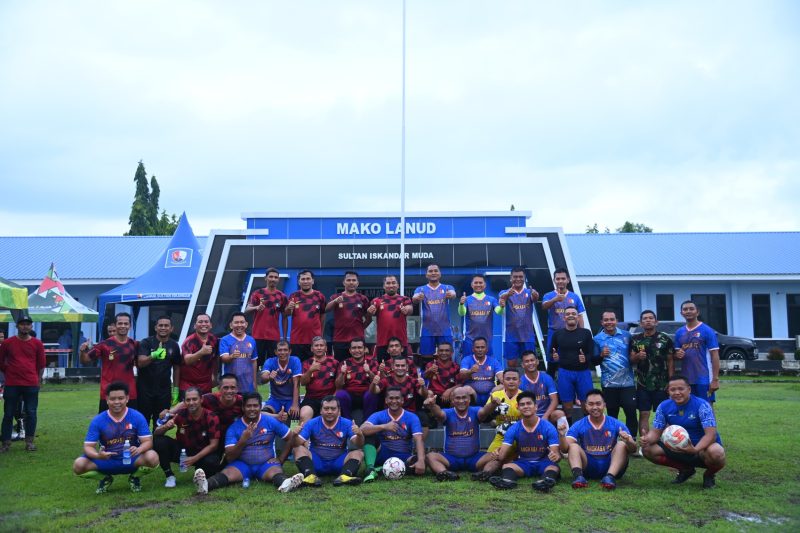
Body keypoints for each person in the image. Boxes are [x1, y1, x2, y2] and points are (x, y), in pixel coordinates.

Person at [193, 392, 304, 494]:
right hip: (242, 465)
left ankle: (286, 484)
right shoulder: (234, 427)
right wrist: (243, 440)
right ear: (243, 408)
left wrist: (281, 459)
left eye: (255, 406)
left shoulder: (270, 421)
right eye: (248, 406)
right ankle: (205, 485)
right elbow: (230, 457)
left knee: (276, 473)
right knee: (227, 474)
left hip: (266, 464)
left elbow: (291, 438)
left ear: (260, 407)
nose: (252, 409)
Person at [640, 374, 726, 489]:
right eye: (673, 389)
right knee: (647, 449)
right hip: (677, 448)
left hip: (701, 449)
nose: (677, 392)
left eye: (681, 389)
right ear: (668, 391)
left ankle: (709, 475)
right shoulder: (663, 406)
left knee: (717, 452)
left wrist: (695, 449)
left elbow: (711, 435)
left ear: (689, 389)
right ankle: (685, 469)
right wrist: (647, 439)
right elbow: (656, 433)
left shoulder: (702, 405)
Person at [72, 381, 159, 493]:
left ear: (127, 398)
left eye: (121, 398)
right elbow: (88, 446)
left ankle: (135, 477)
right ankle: (105, 478)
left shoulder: (137, 416)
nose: (117, 402)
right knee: (78, 465)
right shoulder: (98, 420)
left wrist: (139, 449)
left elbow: (148, 441)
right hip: (107, 461)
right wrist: (98, 455)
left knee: (153, 457)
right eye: (113, 399)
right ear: (107, 399)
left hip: (131, 459)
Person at [560, 389, 636, 490]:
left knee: (621, 444)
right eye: (591, 404)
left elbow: (633, 449)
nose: (595, 407)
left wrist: (628, 441)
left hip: (611, 465)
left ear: (604, 405)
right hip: (588, 466)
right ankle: (578, 477)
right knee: (573, 446)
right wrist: (561, 436)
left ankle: (609, 477)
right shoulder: (579, 424)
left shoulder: (616, 423)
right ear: (586, 406)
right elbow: (565, 449)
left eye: (598, 404)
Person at [488, 391, 561, 492]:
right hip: (523, 463)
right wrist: (496, 454)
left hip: (543, 463)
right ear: (518, 408)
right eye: (522, 404)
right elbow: (502, 456)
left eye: (529, 403)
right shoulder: (513, 428)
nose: (526, 406)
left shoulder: (548, 427)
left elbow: (556, 455)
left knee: (554, 468)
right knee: (507, 466)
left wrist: (555, 456)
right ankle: (507, 482)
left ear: (536, 407)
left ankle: (545, 482)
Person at [153, 387, 221, 488]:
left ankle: (199, 473)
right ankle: (169, 476)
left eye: (194, 399)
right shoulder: (180, 414)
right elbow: (156, 433)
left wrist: (194, 459)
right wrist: (165, 426)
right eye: (188, 400)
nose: (191, 402)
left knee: (212, 462)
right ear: (184, 402)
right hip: (183, 452)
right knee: (159, 441)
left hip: (202, 453)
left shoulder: (211, 417)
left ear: (201, 399)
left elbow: (214, 445)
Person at [291, 395, 365, 487]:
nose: (329, 411)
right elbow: (296, 443)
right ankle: (310, 476)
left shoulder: (347, 423)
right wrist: (294, 435)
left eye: (333, 409)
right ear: (321, 410)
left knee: (359, 453)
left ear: (339, 410)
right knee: (297, 449)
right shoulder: (312, 423)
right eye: (326, 409)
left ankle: (345, 476)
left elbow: (359, 444)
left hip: (339, 462)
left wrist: (360, 435)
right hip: (317, 462)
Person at [360, 387, 427, 482]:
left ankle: (380, 470)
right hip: (382, 453)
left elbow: (418, 439)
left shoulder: (412, 417)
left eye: (397, 398)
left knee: (418, 462)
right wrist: (384, 426)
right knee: (369, 435)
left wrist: (421, 460)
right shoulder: (379, 415)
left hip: (403, 456)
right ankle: (370, 469)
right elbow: (362, 429)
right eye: (391, 398)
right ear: (386, 400)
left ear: (402, 400)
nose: (394, 401)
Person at [423, 387, 491, 481]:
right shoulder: (448, 412)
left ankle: (485, 474)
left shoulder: (475, 411)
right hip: (451, 459)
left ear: (469, 399)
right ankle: (445, 473)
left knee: (495, 457)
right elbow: (439, 414)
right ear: (452, 400)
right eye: (458, 398)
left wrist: (493, 404)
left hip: (474, 458)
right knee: (430, 456)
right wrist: (433, 405)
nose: (461, 401)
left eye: (464, 397)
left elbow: (484, 412)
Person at [0, 315, 45, 452]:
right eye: (22, 324)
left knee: (31, 412)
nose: (25, 326)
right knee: (8, 413)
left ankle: (29, 442)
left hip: (31, 383)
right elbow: (1, 361)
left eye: (27, 324)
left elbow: (41, 364)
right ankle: (6, 443)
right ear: (17, 326)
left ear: (31, 326)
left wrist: (38, 381)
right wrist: (9, 371)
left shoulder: (37, 344)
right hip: (12, 383)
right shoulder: (8, 343)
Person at [81, 312, 139, 413]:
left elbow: (141, 363)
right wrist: (82, 351)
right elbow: (85, 360)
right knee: (106, 426)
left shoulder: (134, 344)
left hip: (129, 393)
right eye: (120, 323)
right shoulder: (104, 345)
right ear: (115, 325)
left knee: (129, 426)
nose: (123, 326)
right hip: (108, 392)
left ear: (130, 326)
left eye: (126, 324)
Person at [593, 310, 638, 437]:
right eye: (606, 320)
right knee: (612, 414)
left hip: (627, 383)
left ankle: (632, 440)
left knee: (631, 411)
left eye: (612, 319)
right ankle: (613, 441)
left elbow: (633, 357)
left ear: (616, 321)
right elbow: (593, 361)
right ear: (602, 322)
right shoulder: (597, 339)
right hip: (608, 384)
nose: (609, 322)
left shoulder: (627, 336)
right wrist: (601, 355)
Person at [474, 367, 524, 479]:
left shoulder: (524, 397)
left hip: (519, 438)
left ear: (519, 381)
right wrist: (492, 405)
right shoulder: (496, 395)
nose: (511, 381)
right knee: (479, 464)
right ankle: (504, 462)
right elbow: (482, 416)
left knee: (498, 457)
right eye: (508, 379)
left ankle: (486, 474)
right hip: (501, 436)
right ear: (503, 381)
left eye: (514, 379)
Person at [631, 310, 674, 438]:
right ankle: (645, 443)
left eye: (651, 318)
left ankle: (667, 441)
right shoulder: (636, 339)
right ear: (640, 322)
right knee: (644, 414)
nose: (648, 320)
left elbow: (671, 360)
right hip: (643, 384)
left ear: (656, 322)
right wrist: (638, 357)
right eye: (645, 318)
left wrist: (671, 382)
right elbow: (631, 359)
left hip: (662, 384)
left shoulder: (665, 338)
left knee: (663, 414)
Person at [550, 307, 594, 424]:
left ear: (577, 317)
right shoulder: (558, 334)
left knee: (587, 405)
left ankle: (586, 430)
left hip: (583, 372)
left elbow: (591, 353)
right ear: (564, 317)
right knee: (567, 407)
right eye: (568, 314)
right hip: (565, 372)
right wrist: (554, 357)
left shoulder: (585, 333)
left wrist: (586, 358)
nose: (571, 315)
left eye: (573, 313)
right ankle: (569, 432)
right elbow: (551, 352)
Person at [136, 316, 181, 430]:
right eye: (160, 325)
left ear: (171, 328)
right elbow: (140, 363)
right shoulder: (146, 342)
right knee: (143, 421)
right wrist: (153, 355)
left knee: (160, 421)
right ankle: (143, 446)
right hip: (144, 389)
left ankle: (156, 445)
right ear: (155, 327)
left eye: (166, 326)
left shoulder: (174, 345)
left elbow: (176, 368)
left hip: (164, 390)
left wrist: (175, 389)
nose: (163, 328)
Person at [541, 268, 586, 377]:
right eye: (558, 279)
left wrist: (581, 333)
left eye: (563, 278)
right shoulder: (549, 295)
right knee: (552, 363)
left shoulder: (574, 297)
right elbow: (544, 306)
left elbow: (580, 316)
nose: (560, 281)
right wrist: (555, 299)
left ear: (568, 280)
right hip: (554, 333)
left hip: (571, 334)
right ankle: (550, 390)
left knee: (570, 360)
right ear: (554, 280)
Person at [674, 301, 720, 403]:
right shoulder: (679, 333)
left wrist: (715, 379)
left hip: (704, 378)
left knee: (706, 407)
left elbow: (715, 355)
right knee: (689, 408)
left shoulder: (707, 330)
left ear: (697, 312)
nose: (688, 311)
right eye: (685, 309)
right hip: (686, 380)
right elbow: (676, 355)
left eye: (691, 309)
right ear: (681, 313)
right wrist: (677, 355)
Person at [495, 267, 540, 368]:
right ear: (511, 278)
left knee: (530, 363)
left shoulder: (529, 292)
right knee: (511, 364)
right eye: (515, 277)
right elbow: (502, 298)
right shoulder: (504, 292)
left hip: (527, 335)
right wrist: (507, 294)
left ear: (524, 278)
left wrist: (535, 295)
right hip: (511, 335)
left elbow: (535, 298)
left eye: (521, 276)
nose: (518, 279)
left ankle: (528, 383)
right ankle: (513, 383)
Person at [244, 267, 289, 368]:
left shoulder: (282, 296)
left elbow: (285, 316)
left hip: (274, 336)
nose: (273, 279)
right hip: (257, 335)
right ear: (266, 278)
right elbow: (246, 310)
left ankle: (272, 383)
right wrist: (256, 307)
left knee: (273, 365)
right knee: (256, 363)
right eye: (271, 277)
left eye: (276, 277)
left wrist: (285, 337)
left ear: (278, 279)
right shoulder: (257, 293)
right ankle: (255, 382)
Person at [413, 264, 457, 363]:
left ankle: (446, 378)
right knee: (426, 359)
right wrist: (417, 298)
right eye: (430, 271)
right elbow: (414, 298)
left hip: (445, 330)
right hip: (427, 330)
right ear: (426, 275)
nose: (433, 273)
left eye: (436, 271)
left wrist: (452, 295)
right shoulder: (421, 289)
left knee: (447, 358)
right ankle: (427, 378)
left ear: (440, 273)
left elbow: (453, 294)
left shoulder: (447, 287)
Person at [326, 271, 371, 361]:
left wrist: (360, 328)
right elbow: (326, 309)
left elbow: (369, 319)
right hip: (339, 340)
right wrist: (335, 301)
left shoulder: (363, 299)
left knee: (358, 367)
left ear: (357, 283)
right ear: (344, 282)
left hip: (357, 341)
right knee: (340, 366)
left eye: (354, 280)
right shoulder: (336, 297)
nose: (351, 282)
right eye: (348, 280)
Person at [367, 275, 413, 361]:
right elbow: (370, 312)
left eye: (393, 283)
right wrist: (370, 312)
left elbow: (410, 309)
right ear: (384, 286)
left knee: (401, 369)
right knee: (383, 369)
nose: (391, 285)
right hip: (382, 342)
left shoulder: (405, 299)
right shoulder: (377, 300)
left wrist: (407, 310)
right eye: (388, 283)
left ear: (398, 285)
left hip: (401, 342)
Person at [285, 270, 327, 362]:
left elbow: (323, 315)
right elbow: (287, 314)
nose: (305, 281)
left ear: (312, 281)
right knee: (298, 370)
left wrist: (321, 335)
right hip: (296, 341)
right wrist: (288, 308)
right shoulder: (293, 296)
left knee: (315, 369)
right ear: (299, 282)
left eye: (308, 279)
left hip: (315, 341)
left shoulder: (320, 296)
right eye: (303, 279)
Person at [334, 337, 379, 420]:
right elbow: (338, 386)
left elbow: (377, 382)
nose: (357, 350)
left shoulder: (372, 362)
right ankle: (348, 423)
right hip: (349, 394)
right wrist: (342, 374)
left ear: (365, 349)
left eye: (359, 347)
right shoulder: (345, 363)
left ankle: (367, 424)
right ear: (350, 350)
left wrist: (369, 371)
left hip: (366, 393)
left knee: (371, 394)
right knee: (340, 394)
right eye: (354, 348)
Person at [298, 336, 339, 423]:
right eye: (316, 346)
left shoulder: (334, 363)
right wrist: (310, 370)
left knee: (335, 416)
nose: (319, 348)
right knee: (303, 415)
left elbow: (339, 385)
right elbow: (302, 382)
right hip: (311, 399)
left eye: (321, 345)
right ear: (312, 348)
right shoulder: (306, 363)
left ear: (326, 348)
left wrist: (334, 398)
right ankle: (301, 436)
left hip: (329, 399)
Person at [458, 274, 499, 359]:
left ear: (485, 284)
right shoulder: (466, 299)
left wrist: (502, 306)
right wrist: (461, 304)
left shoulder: (492, 299)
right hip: (470, 340)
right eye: (476, 282)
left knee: (488, 365)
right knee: (469, 365)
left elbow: (499, 311)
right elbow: (462, 313)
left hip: (487, 340)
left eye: (480, 282)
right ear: (472, 284)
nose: (478, 285)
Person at [518, 350, 563, 425]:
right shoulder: (520, 381)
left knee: (559, 414)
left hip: (546, 414)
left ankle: (563, 436)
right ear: (522, 365)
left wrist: (545, 417)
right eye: (527, 361)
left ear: (537, 362)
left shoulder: (547, 378)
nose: (530, 363)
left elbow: (554, 401)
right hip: (528, 415)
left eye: (532, 360)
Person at [260, 340, 301, 421]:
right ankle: (272, 428)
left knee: (295, 416)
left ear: (290, 351)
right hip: (275, 399)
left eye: (285, 350)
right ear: (275, 352)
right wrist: (269, 377)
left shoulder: (295, 361)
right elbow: (263, 378)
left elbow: (296, 384)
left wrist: (295, 405)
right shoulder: (270, 361)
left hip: (290, 399)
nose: (282, 352)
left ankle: (292, 433)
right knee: (262, 414)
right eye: (280, 350)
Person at [179, 314, 219, 396]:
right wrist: (201, 352)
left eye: (206, 322)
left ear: (210, 325)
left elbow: (216, 359)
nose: (203, 324)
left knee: (205, 407)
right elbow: (187, 360)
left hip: (206, 384)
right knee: (188, 408)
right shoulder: (189, 341)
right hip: (188, 384)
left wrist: (215, 376)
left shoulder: (214, 340)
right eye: (200, 322)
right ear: (195, 326)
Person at [219, 312, 258, 393]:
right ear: (231, 325)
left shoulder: (251, 340)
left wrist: (254, 382)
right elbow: (224, 358)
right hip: (230, 385)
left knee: (247, 405)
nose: (239, 325)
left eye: (242, 322)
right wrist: (232, 356)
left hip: (248, 383)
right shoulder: (225, 340)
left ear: (246, 324)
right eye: (236, 322)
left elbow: (254, 361)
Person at [459, 337, 503, 406]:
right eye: (477, 347)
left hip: (490, 393)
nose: (480, 350)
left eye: (482, 347)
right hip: (473, 394)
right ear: (473, 349)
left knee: (503, 386)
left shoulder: (494, 361)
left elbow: (501, 375)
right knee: (465, 389)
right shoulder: (467, 360)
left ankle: (496, 413)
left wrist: (502, 380)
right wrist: (471, 371)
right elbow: (461, 375)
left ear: (487, 349)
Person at [423, 341, 463, 407]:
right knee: (429, 394)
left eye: (447, 351)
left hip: (450, 396)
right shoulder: (431, 365)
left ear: (451, 353)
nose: (444, 353)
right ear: (437, 352)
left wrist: (449, 390)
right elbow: (425, 377)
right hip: (435, 395)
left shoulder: (456, 367)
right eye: (441, 351)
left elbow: (460, 384)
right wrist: (429, 370)